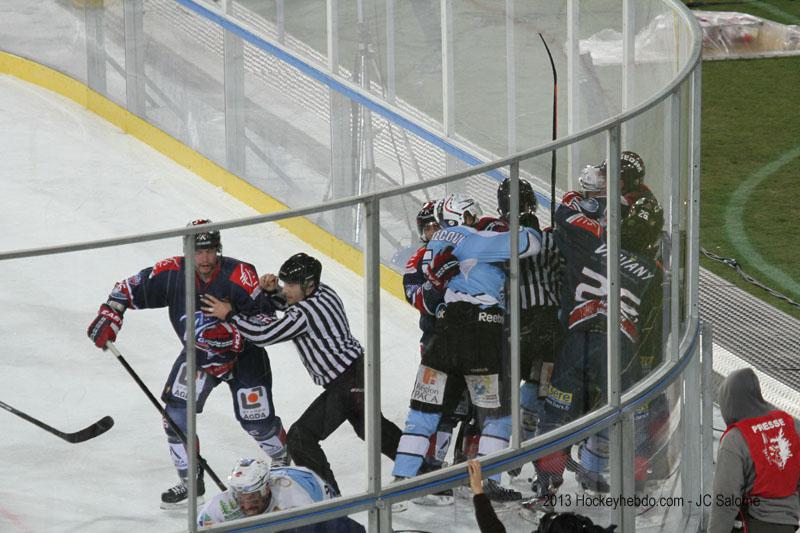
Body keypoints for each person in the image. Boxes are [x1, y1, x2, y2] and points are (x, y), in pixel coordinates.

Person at [86, 219, 287, 508]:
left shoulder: (240, 274)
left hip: (245, 357)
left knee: (257, 421)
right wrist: (110, 314)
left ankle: (282, 463)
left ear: (218, 249)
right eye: (198, 251)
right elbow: (125, 290)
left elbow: (266, 319)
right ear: (187, 250)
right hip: (199, 357)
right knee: (175, 418)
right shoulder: (171, 273)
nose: (204, 258)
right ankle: (191, 481)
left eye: (210, 251)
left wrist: (234, 317)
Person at [197, 252, 402, 495]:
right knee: (371, 428)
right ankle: (421, 467)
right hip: (356, 371)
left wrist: (230, 315)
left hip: (346, 381)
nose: (286, 289)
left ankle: (328, 497)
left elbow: (264, 335)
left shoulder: (305, 313)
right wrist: (273, 292)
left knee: (300, 438)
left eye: (291, 285)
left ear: (309, 285)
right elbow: (289, 304)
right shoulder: (324, 292)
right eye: (285, 283)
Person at [392, 193, 542, 502]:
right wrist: (510, 227)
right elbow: (530, 242)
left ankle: (404, 478)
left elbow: (424, 296)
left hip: (442, 338)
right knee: (495, 415)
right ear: (463, 218)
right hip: (481, 335)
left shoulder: (432, 247)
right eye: (473, 216)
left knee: (425, 411)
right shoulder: (473, 239)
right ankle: (484, 480)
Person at [531, 193, 664, 503]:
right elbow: (650, 321)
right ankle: (632, 486)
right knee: (632, 415)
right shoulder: (654, 270)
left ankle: (546, 486)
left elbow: (564, 216)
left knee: (557, 415)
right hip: (620, 348)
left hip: (578, 340)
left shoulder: (593, 243)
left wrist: (592, 206)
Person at [496, 177, 565, 484]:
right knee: (540, 390)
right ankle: (541, 468)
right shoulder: (551, 241)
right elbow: (566, 277)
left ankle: (510, 455)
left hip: (515, 329)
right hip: (549, 328)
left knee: (508, 393)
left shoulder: (499, 242)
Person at [709, 367, 800, 533]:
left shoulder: (735, 439)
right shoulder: (789, 423)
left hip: (753, 523)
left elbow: (726, 500)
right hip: (788, 524)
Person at [198, 457, 365, 532]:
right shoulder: (221, 506)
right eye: (241, 498)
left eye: (253, 498)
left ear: (266, 490)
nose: (247, 506)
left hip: (313, 489)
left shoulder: (293, 501)